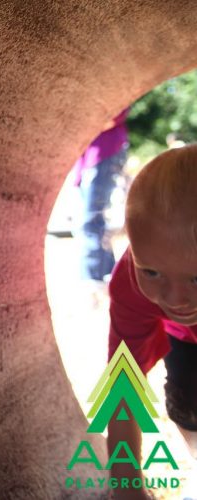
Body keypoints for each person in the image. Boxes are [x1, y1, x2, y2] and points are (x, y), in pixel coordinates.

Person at [106, 144, 197, 498]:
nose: (176, 300)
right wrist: (126, 486)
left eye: (196, 278)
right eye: (153, 271)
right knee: (189, 403)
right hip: (185, 343)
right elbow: (123, 383)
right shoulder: (131, 283)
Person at [73, 109, 129, 289]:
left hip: (103, 152)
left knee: (90, 222)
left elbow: (111, 116)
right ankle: (107, 276)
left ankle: (95, 281)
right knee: (92, 222)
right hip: (90, 158)